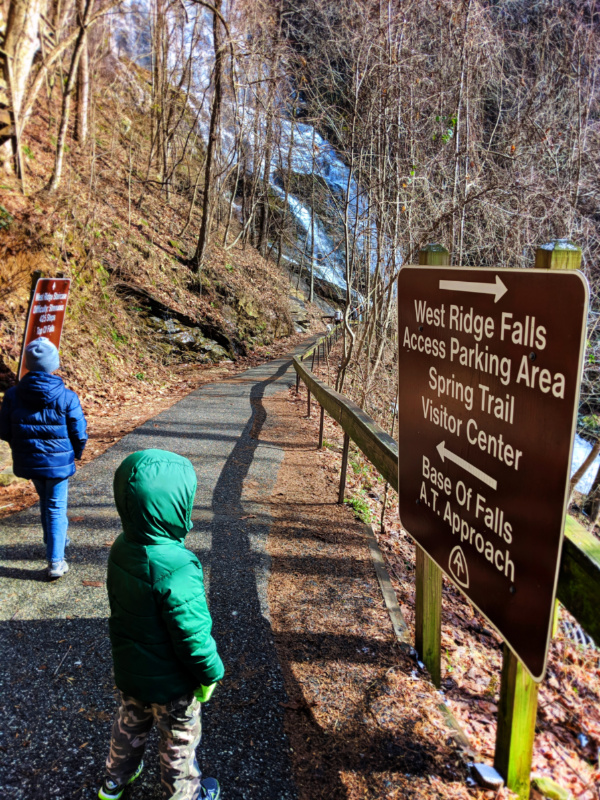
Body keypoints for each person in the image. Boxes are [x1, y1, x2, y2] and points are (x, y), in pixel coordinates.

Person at [99, 449, 224, 800]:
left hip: (131, 670)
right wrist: (210, 673)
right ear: (175, 507)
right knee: (178, 740)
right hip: (172, 684)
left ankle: (114, 782)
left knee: (129, 723)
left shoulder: (121, 548)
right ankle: (183, 794)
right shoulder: (179, 566)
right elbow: (192, 635)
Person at [0, 337, 87, 579]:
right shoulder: (67, 396)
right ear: (53, 364)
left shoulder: (13, 395)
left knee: (47, 501)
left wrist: (22, 449)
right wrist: (75, 454)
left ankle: (54, 541)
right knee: (56, 506)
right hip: (59, 463)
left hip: (30, 461)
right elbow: (79, 433)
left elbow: (4, 430)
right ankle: (56, 561)